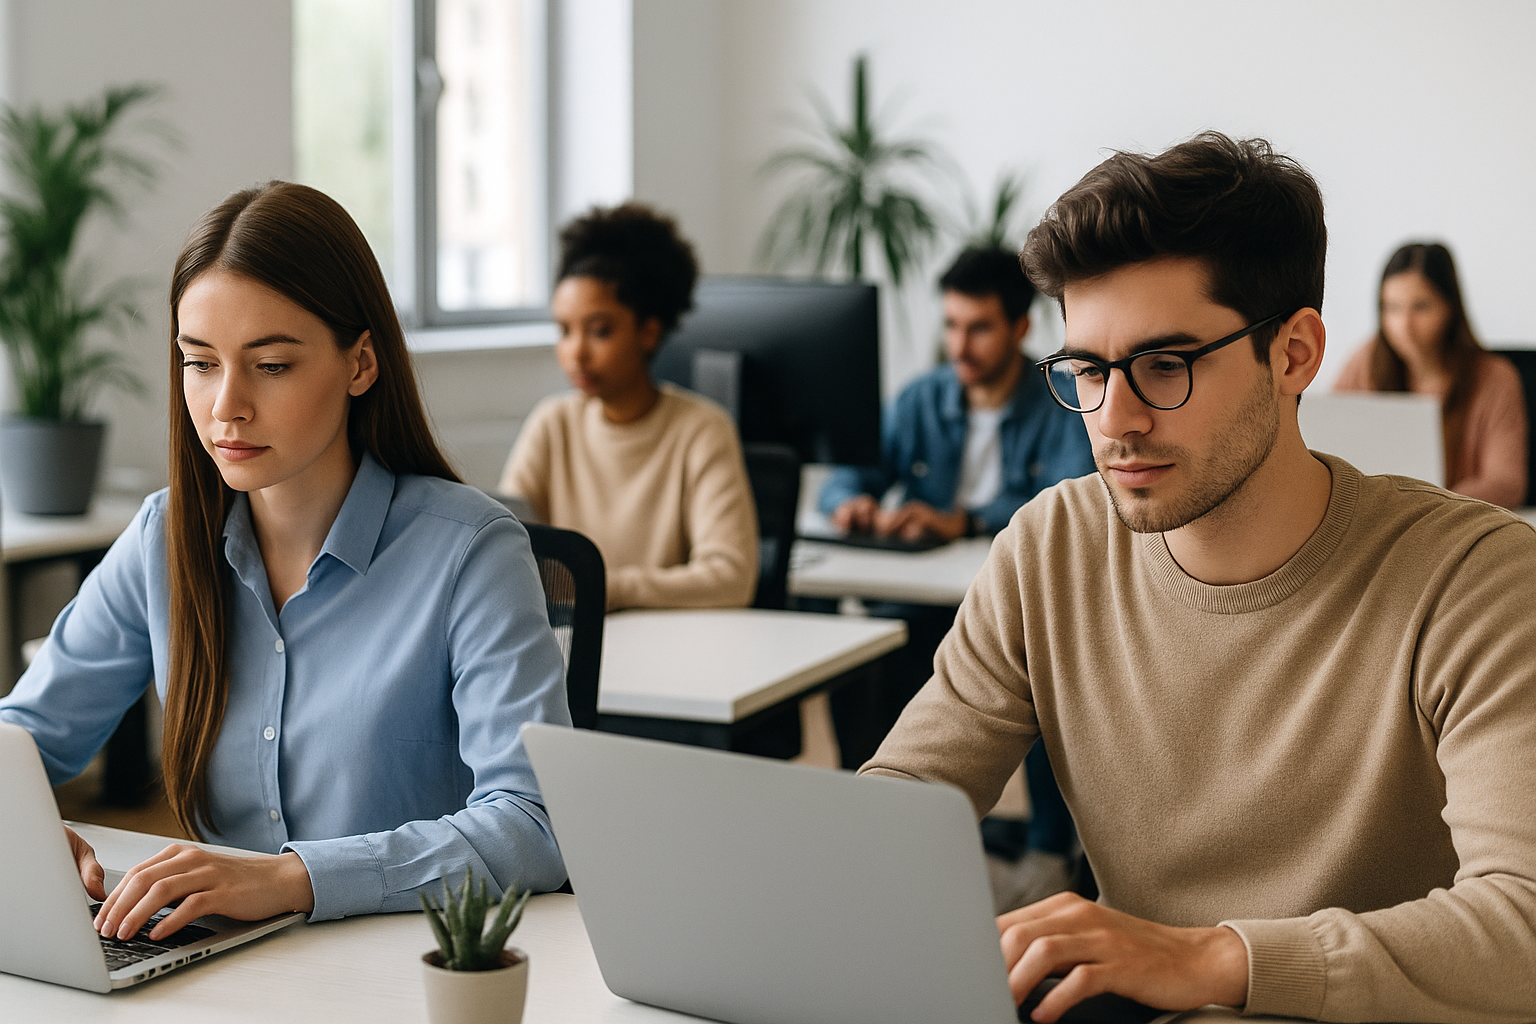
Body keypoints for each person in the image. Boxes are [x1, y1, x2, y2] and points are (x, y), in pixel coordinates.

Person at [860, 132, 1536, 1023]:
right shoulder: (1047, 549)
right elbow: (900, 808)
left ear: (1294, 355)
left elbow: (1522, 927)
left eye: (1164, 366)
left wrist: (1218, 960)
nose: (1116, 420)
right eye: (1088, 371)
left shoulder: (1477, 580)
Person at [0, 182, 571, 942]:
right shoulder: (166, 536)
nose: (225, 405)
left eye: (269, 365)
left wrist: (290, 879)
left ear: (360, 363)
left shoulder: (470, 549)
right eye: (199, 363)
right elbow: (23, 737)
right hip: (217, 963)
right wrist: (23, 829)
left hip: (409, 966)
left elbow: (531, 824)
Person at [499, 202, 758, 611]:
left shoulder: (702, 430)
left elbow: (730, 578)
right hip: (570, 645)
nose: (576, 353)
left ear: (648, 332)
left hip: (670, 653)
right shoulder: (552, 423)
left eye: (599, 331)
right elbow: (503, 549)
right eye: (565, 331)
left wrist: (602, 588)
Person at [818, 246, 1094, 541]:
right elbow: (845, 479)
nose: (959, 348)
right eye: (951, 325)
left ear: (1021, 328)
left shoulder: (1066, 403)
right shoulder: (919, 399)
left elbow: (1071, 509)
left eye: (979, 329)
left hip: (1015, 571)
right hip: (922, 575)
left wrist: (967, 523)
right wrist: (850, 504)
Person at [1334, 241, 1527, 508]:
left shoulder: (1495, 377)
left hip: (1457, 526)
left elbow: (1507, 482)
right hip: (1376, 520)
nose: (1404, 325)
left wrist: (1430, 507)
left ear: (1450, 307)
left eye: (1421, 307)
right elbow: (1329, 448)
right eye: (1391, 308)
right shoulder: (1365, 361)